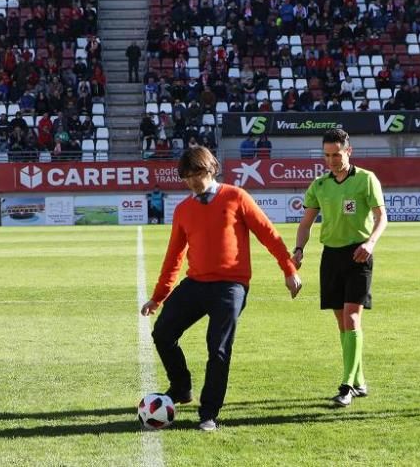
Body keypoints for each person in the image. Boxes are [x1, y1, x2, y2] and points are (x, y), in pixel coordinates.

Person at [140, 147, 302, 431]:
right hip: (196, 283)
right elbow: (174, 256)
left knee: (218, 348)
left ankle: (208, 414)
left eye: (197, 174)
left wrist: (289, 270)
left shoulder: (236, 197)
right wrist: (158, 297)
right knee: (163, 332)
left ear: (211, 169)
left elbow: (268, 234)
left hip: (230, 286)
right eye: (186, 177)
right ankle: (181, 388)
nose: (192, 181)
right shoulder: (183, 210)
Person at [292, 129, 387, 407]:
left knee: (352, 318)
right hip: (331, 257)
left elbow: (382, 217)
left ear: (349, 151)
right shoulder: (320, 185)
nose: (332, 160)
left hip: (358, 255)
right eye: (327, 155)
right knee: (341, 323)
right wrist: (299, 249)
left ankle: (346, 386)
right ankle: (358, 380)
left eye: (337, 154)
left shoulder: (367, 180)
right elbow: (306, 223)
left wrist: (370, 243)